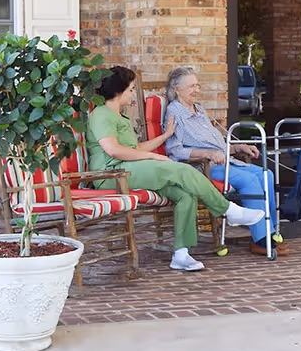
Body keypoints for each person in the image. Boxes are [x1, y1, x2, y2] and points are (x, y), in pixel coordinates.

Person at [87, 66, 265, 272]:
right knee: (181, 170)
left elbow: (134, 149)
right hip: (111, 174)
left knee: (184, 193)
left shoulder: (121, 116)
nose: (132, 93)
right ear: (118, 91)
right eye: (130, 89)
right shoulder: (101, 114)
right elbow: (114, 150)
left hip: (130, 169)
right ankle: (228, 210)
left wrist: (164, 136)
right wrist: (154, 156)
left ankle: (181, 254)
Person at [164, 67, 289, 257]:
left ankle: (269, 231)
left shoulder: (199, 110)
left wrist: (238, 148)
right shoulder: (175, 113)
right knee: (249, 181)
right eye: (191, 86)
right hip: (202, 169)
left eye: (197, 85)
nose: (196, 89)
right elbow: (174, 150)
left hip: (224, 163)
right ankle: (261, 240)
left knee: (266, 174)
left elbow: (219, 147)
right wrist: (207, 153)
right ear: (176, 89)